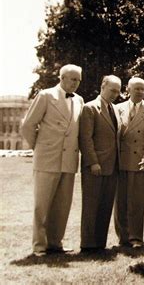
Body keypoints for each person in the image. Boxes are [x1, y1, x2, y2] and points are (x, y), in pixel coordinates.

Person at [20, 64, 84, 257]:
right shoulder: (46, 96)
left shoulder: (79, 100)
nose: (76, 83)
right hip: (48, 158)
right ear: (62, 78)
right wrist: (39, 147)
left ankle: (56, 243)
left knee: (62, 205)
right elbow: (28, 125)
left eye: (78, 80)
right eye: (72, 79)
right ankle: (39, 246)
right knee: (42, 205)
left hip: (69, 160)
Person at [114, 77, 144, 248]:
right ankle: (122, 237)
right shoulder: (117, 108)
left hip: (141, 162)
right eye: (137, 89)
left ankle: (135, 237)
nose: (140, 92)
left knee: (138, 202)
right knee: (120, 202)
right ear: (128, 89)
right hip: (121, 161)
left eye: (143, 89)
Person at [79, 75, 122, 253]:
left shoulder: (114, 109)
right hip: (95, 167)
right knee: (91, 206)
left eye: (118, 91)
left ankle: (100, 243)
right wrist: (93, 162)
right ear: (103, 86)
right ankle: (88, 245)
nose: (115, 94)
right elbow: (85, 138)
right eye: (112, 90)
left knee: (105, 205)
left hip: (112, 166)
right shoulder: (90, 108)